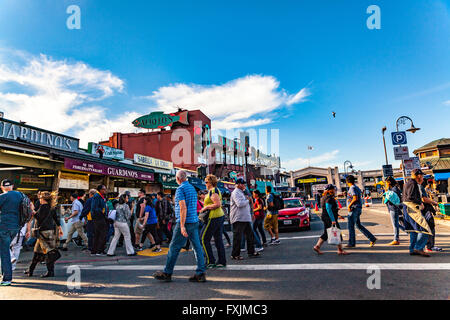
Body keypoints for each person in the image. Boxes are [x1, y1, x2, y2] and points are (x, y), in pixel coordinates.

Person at [153, 170, 206, 282]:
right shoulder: (192, 188)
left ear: (178, 179)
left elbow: (182, 207)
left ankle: (167, 272)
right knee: (197, 247)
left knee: (174, 247)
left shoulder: (180, 189)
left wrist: (182, 226)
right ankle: (200, 273)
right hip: (194, 220)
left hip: (185, 221)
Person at [25, 191, 63, 278]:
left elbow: (38, 217)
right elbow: (55, 218)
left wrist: (32, 210)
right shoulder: (51, 207)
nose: (39, 199)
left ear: (43, 199)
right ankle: (31, 270)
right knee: (37, 252)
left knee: (49, 252)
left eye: (40, 198)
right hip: (48, 232)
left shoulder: (43, 207)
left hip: (44, 233)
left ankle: (51, 270)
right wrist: (60, 228)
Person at [402, 169, 432, 257]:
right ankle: (418, 248)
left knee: (413, 230)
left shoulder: (408, 183)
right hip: (412, 208)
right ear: (418, 176)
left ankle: (412, 249)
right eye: (422, 176)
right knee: (425, 229)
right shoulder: (413, 183)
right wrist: (420, 203)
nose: (423, 178)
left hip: (407, 208)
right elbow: (410, 197)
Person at [199, 174, 227, 269]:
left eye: (206, 182)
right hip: (218, 216)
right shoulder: (212, 191)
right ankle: (221, 261)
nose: (205, 184)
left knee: (204, 238)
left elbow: (217, 204)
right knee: (218, 239)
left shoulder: (213, 191)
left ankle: (210, 261)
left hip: (214, 217)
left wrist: (206, 207)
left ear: (211, 182)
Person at [229, 178, 260, 260]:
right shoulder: (236, 193)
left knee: (250, 235)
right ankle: (235, 254)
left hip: (244, 218)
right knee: (238, 237)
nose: (244, 186)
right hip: (238, 218)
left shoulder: (241, 192)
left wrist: (250, 214)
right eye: (243, 184)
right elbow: (239, 204)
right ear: (238, 184)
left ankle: (251, 252)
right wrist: (247, 200)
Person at [313, 184, 348, 255]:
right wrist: (333, 220)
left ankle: (317, 246)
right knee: (337, 232)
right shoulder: (329, 198)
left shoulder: (324, 197)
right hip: (329, 218)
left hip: (325, 217)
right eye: (334, 189)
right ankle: (340, 250)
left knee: (326, 233)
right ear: (330, 190)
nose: (335, 190)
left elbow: (330, 209)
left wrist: (338, 215)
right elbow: (328, 209)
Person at [0, 179, 22, 286]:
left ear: (2, 187)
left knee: (4, 252)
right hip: (16, 227)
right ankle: (5, 274)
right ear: (12, 186)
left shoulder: (2, 197)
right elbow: (30, 209)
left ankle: (7, 278)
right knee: (5, 248)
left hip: (4, 227)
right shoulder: (20, 195)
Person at [345, 175, 377, 248]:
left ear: (347, 182)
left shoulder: (352, 188)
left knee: (351, 226)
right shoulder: (356, 187)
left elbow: (355, 198)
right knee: (358, 225)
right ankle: (372, 238)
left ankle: (351, 243)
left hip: (354, 209)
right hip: (358, 208)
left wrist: (349, 205)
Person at [420, 181, 442, 252]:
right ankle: (430, 246)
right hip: (425, 209)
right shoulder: (421, 187)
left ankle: (424, 246)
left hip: (420, 210)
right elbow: (424, 199)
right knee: (430, 227)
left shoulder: (415, 187)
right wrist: (434, 202)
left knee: (424, 228)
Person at [384, 176, 403, 245]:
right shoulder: (394, 189)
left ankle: (396, 239)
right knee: (396, 224)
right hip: (393, 208)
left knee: (395, 224)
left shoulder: (394, 189)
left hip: (393, 208)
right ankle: (408, 232)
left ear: (389, 182)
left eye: (386, 183)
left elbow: (395, 200)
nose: (385, 184)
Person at [91, 185, 109, 256]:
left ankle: (95, 250)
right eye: (104, 189)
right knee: (102, 234)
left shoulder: (101, 196)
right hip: (98, 217)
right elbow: (95, 207)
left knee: (98, 234)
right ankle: (99, 250)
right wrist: (102, 211)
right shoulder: (97, 196)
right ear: (100, 190)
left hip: (100, 217)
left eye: (105, 189)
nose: (105, 190)